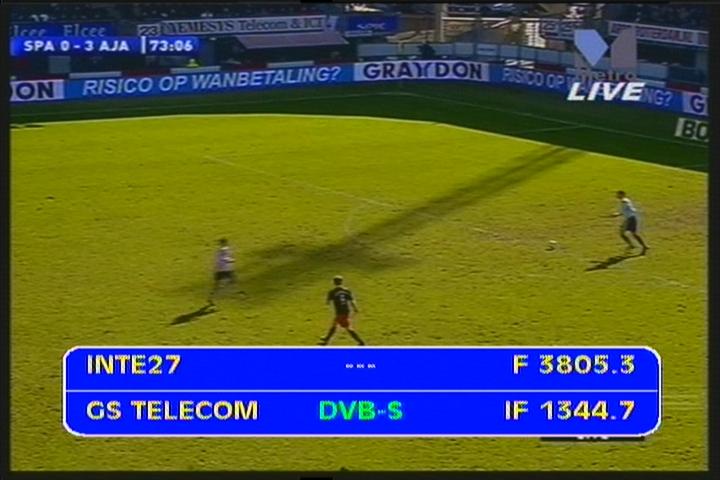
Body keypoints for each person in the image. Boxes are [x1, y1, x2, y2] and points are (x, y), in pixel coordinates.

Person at [319, 276, 366, 346]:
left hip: (339, 312)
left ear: (334, 282)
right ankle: (326, 339)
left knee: (348, 328)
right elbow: (352, 300)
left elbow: (327, 302)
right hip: (346, 311)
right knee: (334, 325)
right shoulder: (347, 290)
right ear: (342, 282)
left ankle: (361, 342)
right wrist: (355, 308)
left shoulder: (332, 292)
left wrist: (328, 302)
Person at [207, 238, 236, 305]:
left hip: (225, 270)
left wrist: (230, 260)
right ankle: (212, 298)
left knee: (230, 283)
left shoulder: (225, 250)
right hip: (223, 270)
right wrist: (231, 260)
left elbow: (225, 258)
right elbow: (224, 259)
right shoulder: (222, 251)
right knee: (220, 285)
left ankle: (212, 297)